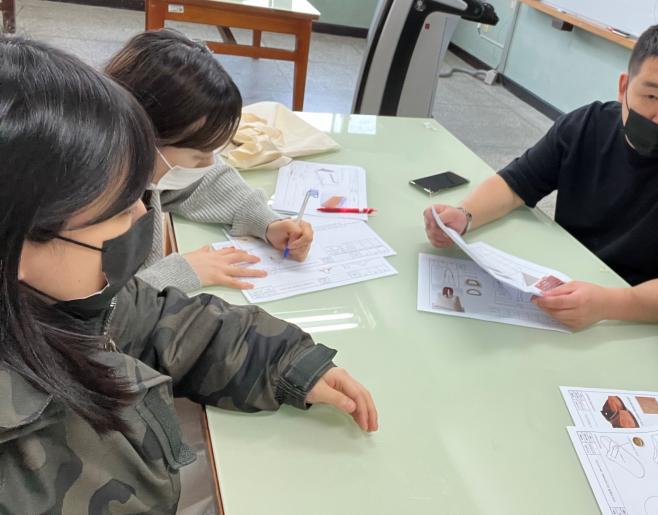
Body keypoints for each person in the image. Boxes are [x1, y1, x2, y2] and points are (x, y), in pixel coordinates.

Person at [0, 36, 377, 513]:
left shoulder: (60, 300)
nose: (144, 213)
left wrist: (286, 361)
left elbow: (158, 320)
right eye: (118, 209)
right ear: (18, 244)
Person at [423, 22, 658, 330]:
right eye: (651, 96)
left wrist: (609, 303)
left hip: (643, 319)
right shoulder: (586, 125)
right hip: (567, 285)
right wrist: (465, 215)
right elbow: (517, 183)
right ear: (624, 87)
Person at [105, 28, 313, 292]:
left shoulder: (131, 163)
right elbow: (95, 306)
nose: (208, 164)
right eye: (198, 155)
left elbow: (205, 183)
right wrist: (178, 273)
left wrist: (267, 222)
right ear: (145, 136)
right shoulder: (86, 203)